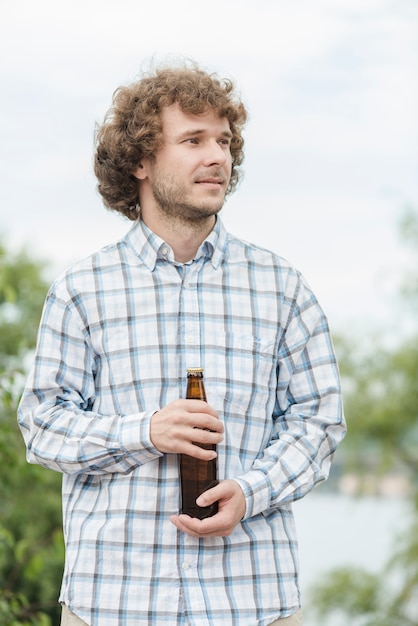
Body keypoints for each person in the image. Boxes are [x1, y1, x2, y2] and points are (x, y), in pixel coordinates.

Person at [18, 60, 346, 626]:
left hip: (252, 602)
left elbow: (319, 423)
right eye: (192, 140)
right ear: (141, 160)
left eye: (223, 140)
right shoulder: (81, 290)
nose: (216, 155)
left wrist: (251, 490)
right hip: (114, 604)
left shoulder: (281, 285)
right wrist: (144, 432)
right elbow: (42, 424)